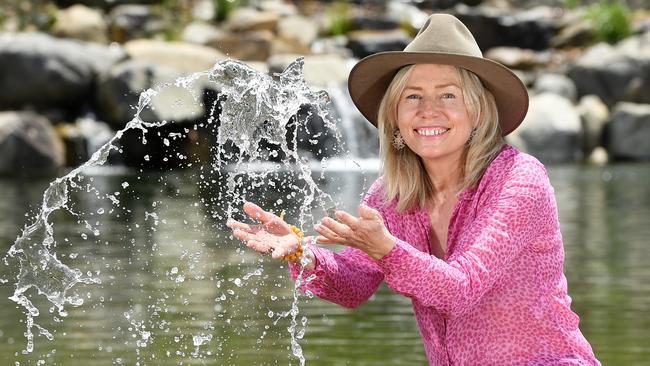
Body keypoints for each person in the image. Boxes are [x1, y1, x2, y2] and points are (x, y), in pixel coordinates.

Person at [227, 13, 601, 366]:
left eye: (448, 95)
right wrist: (302, 253)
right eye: (413, 96)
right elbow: (353, 285)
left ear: (479, 112)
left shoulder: (519, 179)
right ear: (394, 116)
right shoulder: (391, 195)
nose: (428, 110)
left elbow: (460, 289)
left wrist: (387, 250)